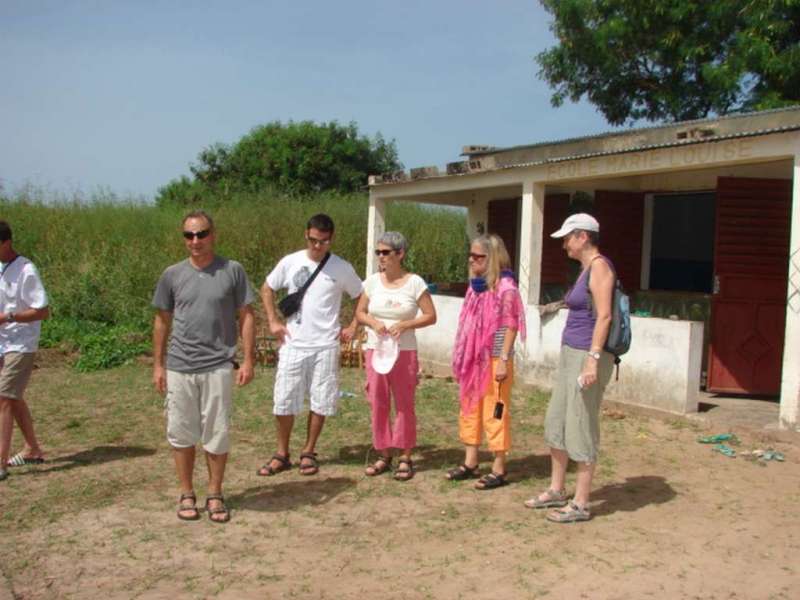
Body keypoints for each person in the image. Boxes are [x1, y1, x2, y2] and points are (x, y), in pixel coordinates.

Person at [152, 210, 256, 523]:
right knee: (181, 433)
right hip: (180, 366)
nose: (195, 241)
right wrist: (158, 365)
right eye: (189, 235)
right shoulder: (172, 274)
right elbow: (161, 320)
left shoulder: (232, 270)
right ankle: (186, 493)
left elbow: (247, 315)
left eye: (202, 234)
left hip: (218, 365)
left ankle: (214, 493)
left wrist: (248, 359)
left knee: (217, 433)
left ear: (213, 234)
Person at [524, 213, 614, 523]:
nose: (564, 245)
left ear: (583, 237)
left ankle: (581, 503)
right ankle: (557, 489)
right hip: (570, 353)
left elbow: (604, 317)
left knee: (581, 423)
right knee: (558, 419)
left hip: (585, 356)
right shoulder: (584, 269)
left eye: (567, 238)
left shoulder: (600, 267)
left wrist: (593, 359)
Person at [258, 214, 362, 477]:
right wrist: (272, 321)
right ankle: (281, 453)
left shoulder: (341, 268)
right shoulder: (291, 261)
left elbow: (361, 295)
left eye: (324, 242)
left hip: (325, 345)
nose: (318, 247)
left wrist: (352, 327)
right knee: (283, 400)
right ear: (306, 235)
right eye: (314, 240)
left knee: (321, 400)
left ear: (331, 239)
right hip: (293, 342)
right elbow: (267, 288)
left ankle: (309, 451)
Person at [355, 231, 436, 481]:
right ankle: (383, 453)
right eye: (378, 252)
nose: (381, 257)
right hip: (376, 350)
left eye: (385, 252)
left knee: (404, 403)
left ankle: (405, 456)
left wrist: (406, 324)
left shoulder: (415, 283)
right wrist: (373, 321)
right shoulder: (371, 282)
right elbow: (360, 312)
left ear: (400, 254)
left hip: (404, 352)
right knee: (378, 401)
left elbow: (430, 315)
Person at [447, 234, 526, 490]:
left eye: (478, 256)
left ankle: (499, 467)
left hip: (494, 359)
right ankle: (470, 461)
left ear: (492, 258)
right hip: (474, 360)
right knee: (469, 408)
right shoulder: (476, 286)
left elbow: (510, 325)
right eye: (470, 255)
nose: (472, 260)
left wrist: (503, 359)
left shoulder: (506, 288)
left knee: (496, 410)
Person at [0, 221, 49, 482]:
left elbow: (42, 310)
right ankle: (32, 448)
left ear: (6, 242)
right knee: (13, 397)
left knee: (4, 398)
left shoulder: (26, 270)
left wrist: (9, 317)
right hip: (2, 343)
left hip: (21, 343)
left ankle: (1, 462)